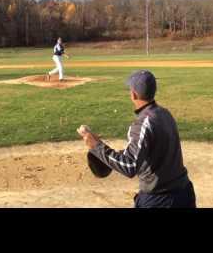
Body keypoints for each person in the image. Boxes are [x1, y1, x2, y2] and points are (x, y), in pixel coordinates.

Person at [77, 70, 196, 208]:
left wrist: (96, 146)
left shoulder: (143, 123)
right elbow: (153, 149)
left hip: (160, 199)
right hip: (184, 192)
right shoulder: (164, 113)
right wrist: (107, 150)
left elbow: (130, 166)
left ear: (133, 94)